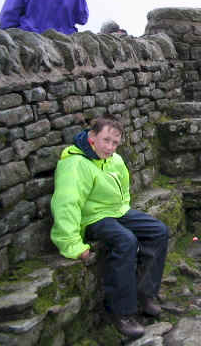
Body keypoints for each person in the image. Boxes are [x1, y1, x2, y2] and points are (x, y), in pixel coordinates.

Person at [50, 114, 168, 339]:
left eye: (115, 143)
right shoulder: (75, 164)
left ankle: (144, 294)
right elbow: (66, 204)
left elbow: (123, 188)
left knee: (158, 231)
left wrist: (124, 209)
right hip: (92, 218)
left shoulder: (113, 159)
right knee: (126, 240)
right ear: (92, 137)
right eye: (106, 141)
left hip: (117, 211)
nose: (111, 147)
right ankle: (122, 313)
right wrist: (72, 244)